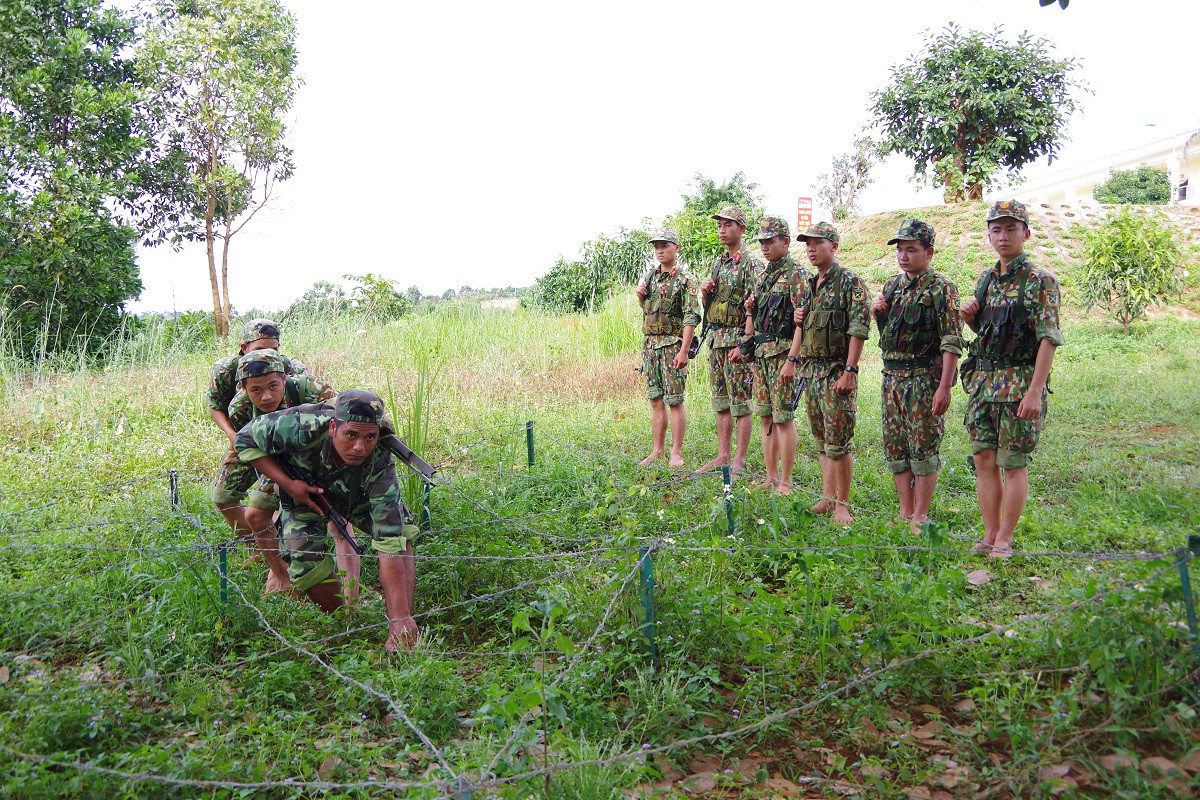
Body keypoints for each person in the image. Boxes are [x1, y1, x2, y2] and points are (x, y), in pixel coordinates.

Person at [235, 390, 420, 650]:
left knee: (401, 533)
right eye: (351, 435)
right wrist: (288, 483)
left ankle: (400, 628)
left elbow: (390, 541)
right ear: (333, 427)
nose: (360, 447)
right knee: (303, 558)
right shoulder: (301, 425)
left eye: (370, 437)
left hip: (354, 492)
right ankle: (344, 623)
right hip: (304, 490)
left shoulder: (379, 462)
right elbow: (244, 439)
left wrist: (401, 618)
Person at [960, 200, 1064, 558]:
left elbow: (1048, 338)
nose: (1003, 236)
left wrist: (1035, 391)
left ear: (1026, 233)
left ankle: (1005, 537)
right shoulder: (986, 279)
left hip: (1019, 384)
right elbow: (988, 332)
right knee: (984, 460)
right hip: (984, 384)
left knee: (1013, 463)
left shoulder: (1039, 280)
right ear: (989, 235)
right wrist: (970, 319)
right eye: (996, 229)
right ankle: (989, 533)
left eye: (1010, 228)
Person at [211, 350, 337, 594]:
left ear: (284, 379)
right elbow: (254, 450)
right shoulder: (240, 409)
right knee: (255, 514)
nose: (266, 396)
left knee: (333, 517)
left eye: (273, 386)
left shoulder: (310, 389)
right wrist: (286, 484)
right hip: (275, 457)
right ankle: (281, 577)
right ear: (243, 389)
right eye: (256, 390)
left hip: (318, 454)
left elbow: (343, 425)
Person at [872, 220, 966, 533]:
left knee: (924, 447)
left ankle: (920, 515)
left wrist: (944, 387)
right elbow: (890, 338)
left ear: (929, 252)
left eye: (911, 249)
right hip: (892, 378)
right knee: (896, 446)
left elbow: (951, 340)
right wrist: (878, 314)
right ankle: (905, 511)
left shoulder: (941, 287)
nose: (903, 256)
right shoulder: (892, 286)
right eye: (900, 249)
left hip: (923, 380)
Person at [795, 222, 871, 526]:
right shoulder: (810, 284)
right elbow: (803, 326)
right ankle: (827, 498)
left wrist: (850, 370)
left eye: (818, 243)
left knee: (838, 441)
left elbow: (858, 328)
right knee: (822, 440)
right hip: (812, 372)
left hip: (836, 371)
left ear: (834, 246)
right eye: (808, 244)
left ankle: (843, 505)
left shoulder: (849, 282)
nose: (811, 249)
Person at [207, 318, 308, 546]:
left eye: (274, 349)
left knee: (268, 502)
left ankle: (280, 549)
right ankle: (258, 548)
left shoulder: (291, 368)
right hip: (245, 436)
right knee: (223, 496)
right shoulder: (225, 370)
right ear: (244, 348)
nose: (266, 355)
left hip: (285, 443)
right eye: (259, 349)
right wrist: (232, 435)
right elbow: (215, 405)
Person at [733, 215, 808, 494]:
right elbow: (754, 318)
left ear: (785, 242)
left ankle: (786, 480)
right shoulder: (763, 276)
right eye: (762, 242)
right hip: (762, 356)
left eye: (770, 241)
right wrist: (747, 319)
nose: (765, 247)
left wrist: (793, 359)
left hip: (783, 354)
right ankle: (771, 476)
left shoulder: (797, 273)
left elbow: (803, 321)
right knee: (765, 417)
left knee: (783, 418)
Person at [697, 205, 762, 474]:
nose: (722, 230)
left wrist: (745, 343)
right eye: (719, 226)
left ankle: (740, 459)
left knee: (741, 401)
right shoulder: (718, 263)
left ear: (741, 229)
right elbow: (710, 306)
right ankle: (723, 454)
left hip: (737, 339)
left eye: (728, 225)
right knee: (721, 400)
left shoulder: (751, 263)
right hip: (716, 339)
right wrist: (704, 292)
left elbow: (757, 306)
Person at [635, 228, 701, 467]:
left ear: (676, 247)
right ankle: (657, 450)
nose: (660, 250)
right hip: (651, 346)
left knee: (675, 400)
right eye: (656, 247)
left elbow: (691, 317)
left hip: (673, 345)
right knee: (655, 399)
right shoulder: (649, 277)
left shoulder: (686, 279)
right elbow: (649, 311)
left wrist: (684, 351)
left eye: (664, 245)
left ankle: (676, 452)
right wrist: (640, 296)